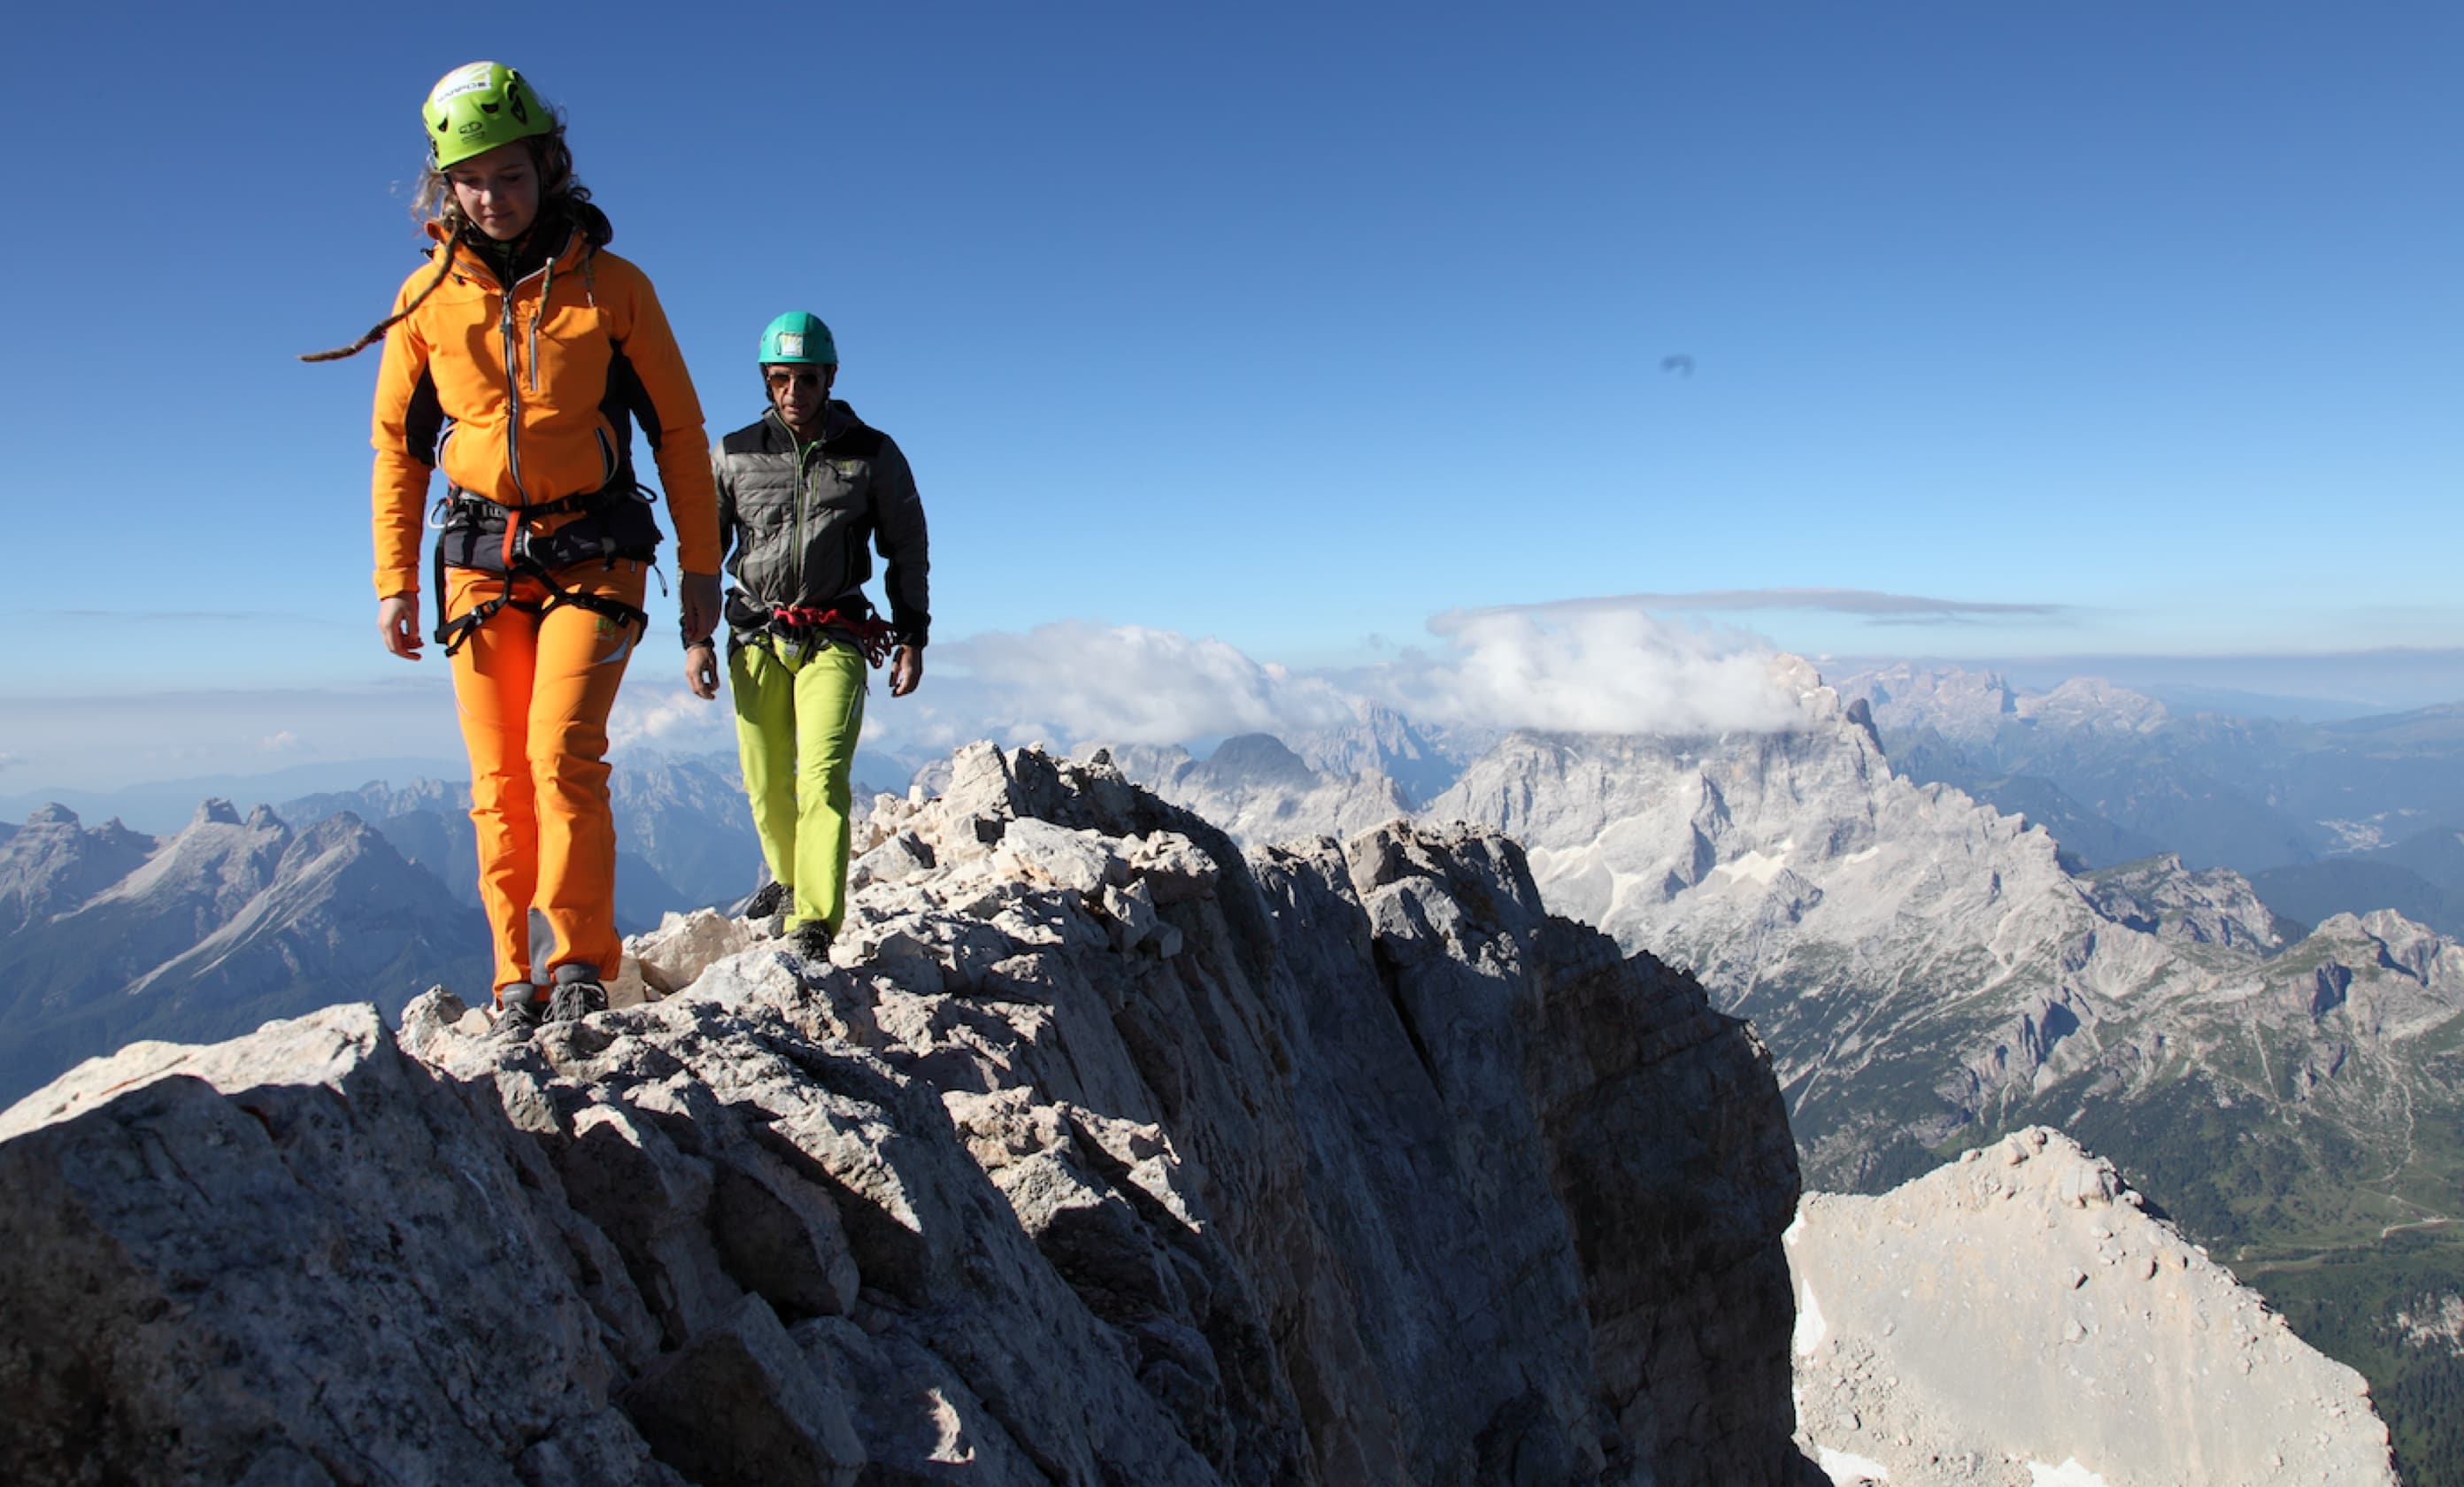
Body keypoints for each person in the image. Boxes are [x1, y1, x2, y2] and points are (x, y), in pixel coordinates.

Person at [309, 62, 721, 1034]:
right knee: (498, 783)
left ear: (549, 169)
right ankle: (510, 976)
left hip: (596, 549)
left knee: (562, 755)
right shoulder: (423, 299)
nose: (493, 198)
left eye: (512, 175)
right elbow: (399, 452)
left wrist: (702, 568)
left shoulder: (615, 288)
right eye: (472, 180)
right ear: (444, 186)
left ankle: (578, 957)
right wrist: (390, 582)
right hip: (479, 558)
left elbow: (678, 433)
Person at [689, 312, 929, 959]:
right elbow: (705, 552)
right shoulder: (735, 452)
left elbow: (906, 546)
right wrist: (697, 639)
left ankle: (815, 924)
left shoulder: (872, 453)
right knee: (766, 782)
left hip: (836, 634)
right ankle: (789, 880)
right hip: (755, 633)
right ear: (767, 381)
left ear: (831, 378)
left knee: (822, 776)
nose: (794, 392)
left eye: (807, 379)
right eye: (780, 379)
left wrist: (913, 635)